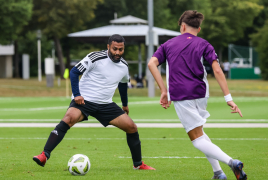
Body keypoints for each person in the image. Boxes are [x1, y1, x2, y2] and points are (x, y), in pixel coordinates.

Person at [148, 10, 247, 180]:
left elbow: (151, 64)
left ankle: (232, 162)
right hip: (202, 94)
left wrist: (164, 90)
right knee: (200, 132)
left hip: (181, 94)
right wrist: (228, 98)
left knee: (196, 139)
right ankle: (218, 173)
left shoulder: (168, 44)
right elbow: (217, 70)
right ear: (198, 29)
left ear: (182, 26)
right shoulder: (204, 43)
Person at [33, 34, 155, 170]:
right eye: (115, 49)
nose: (117, 53)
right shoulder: (95, 57)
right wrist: (77, 95)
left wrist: (125, 104)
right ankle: (44, 155)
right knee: (68, 119)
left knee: (131, 127)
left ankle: (138, 165)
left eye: (121, 50)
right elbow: (74, 72)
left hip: (106, 104)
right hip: (85, 101)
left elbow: (122, 85)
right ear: (108, 47)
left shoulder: (124, 66)